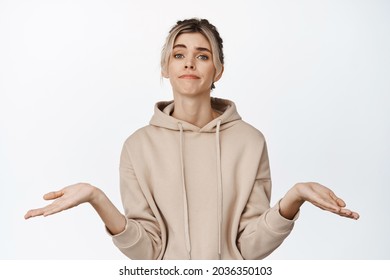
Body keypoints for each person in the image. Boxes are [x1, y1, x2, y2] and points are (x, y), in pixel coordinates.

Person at [24, 18, 359, 260]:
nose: (189, 63)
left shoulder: (250, 141)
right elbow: (147, 252)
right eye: (179, 54)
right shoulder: (138, 147)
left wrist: (292, 200)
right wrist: (96, 198)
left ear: (219, 70)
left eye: (202, 55)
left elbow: (249, 248)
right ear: (165, 67)